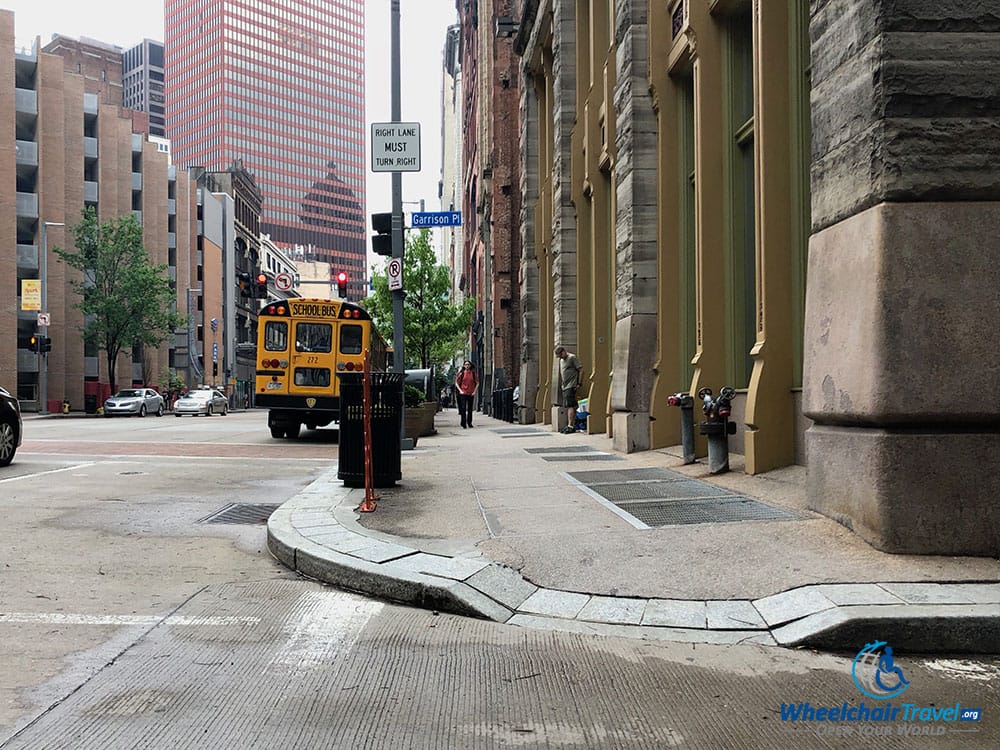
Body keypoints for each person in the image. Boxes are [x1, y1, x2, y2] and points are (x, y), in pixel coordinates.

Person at [555, 345, 583, 433]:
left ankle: (570, 426)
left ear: (564, 352)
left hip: (571, 385)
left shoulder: (572, 358)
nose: (559, 357)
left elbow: (581, 370)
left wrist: (579, 383)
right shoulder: (561, 360)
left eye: (560, 355)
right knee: (570, 406)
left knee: (570, 406)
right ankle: (572, 425)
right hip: (565, 386)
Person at [455, 360, 478, 429]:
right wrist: (460, 390)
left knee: (470, 409)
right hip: (463, 393)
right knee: (463, 408)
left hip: (471, 393)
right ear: (464, 366)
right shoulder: (461, 373)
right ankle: (463, 423)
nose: (467, 366)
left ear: (470, 365)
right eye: (466, 364)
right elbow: (456, 383)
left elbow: (477, 383)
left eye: (468, 364)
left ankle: (469, 422)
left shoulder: (473, 373)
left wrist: (474, 391)